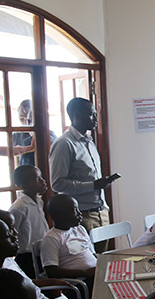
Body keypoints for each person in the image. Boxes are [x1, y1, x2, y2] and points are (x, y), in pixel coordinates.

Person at [49, 97, 118, 252]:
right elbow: (58, 183)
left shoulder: (89, 141)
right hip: (82, 215)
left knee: (104, 261)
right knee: (89, 265)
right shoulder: (64, 144)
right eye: (90, 114)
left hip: (100, 212)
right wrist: (93, 185)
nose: (95, 119)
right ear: (76, 115)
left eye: (95, 115)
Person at [42, 193, 97, 287]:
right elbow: (52, 271)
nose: (79, 213)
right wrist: (85, 272)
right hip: (79, 282)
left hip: (94, 274)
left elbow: (92, 253)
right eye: (74, 211)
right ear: (60, 216)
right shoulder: (52, 238)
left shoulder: (80, 229)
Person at [8, 164, 50, 277]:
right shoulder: (19, 207)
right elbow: (12, 232)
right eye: (37, 179)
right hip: (27, 256)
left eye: (41, 178)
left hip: (41, 252)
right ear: (24, 185)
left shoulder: (39, 201)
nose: (43, 181)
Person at [13, 99, 56, 167]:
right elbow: (15, 160)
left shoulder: (50, 136)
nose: (25, 123)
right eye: (22, 119)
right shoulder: (16, 135)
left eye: (27, 119)